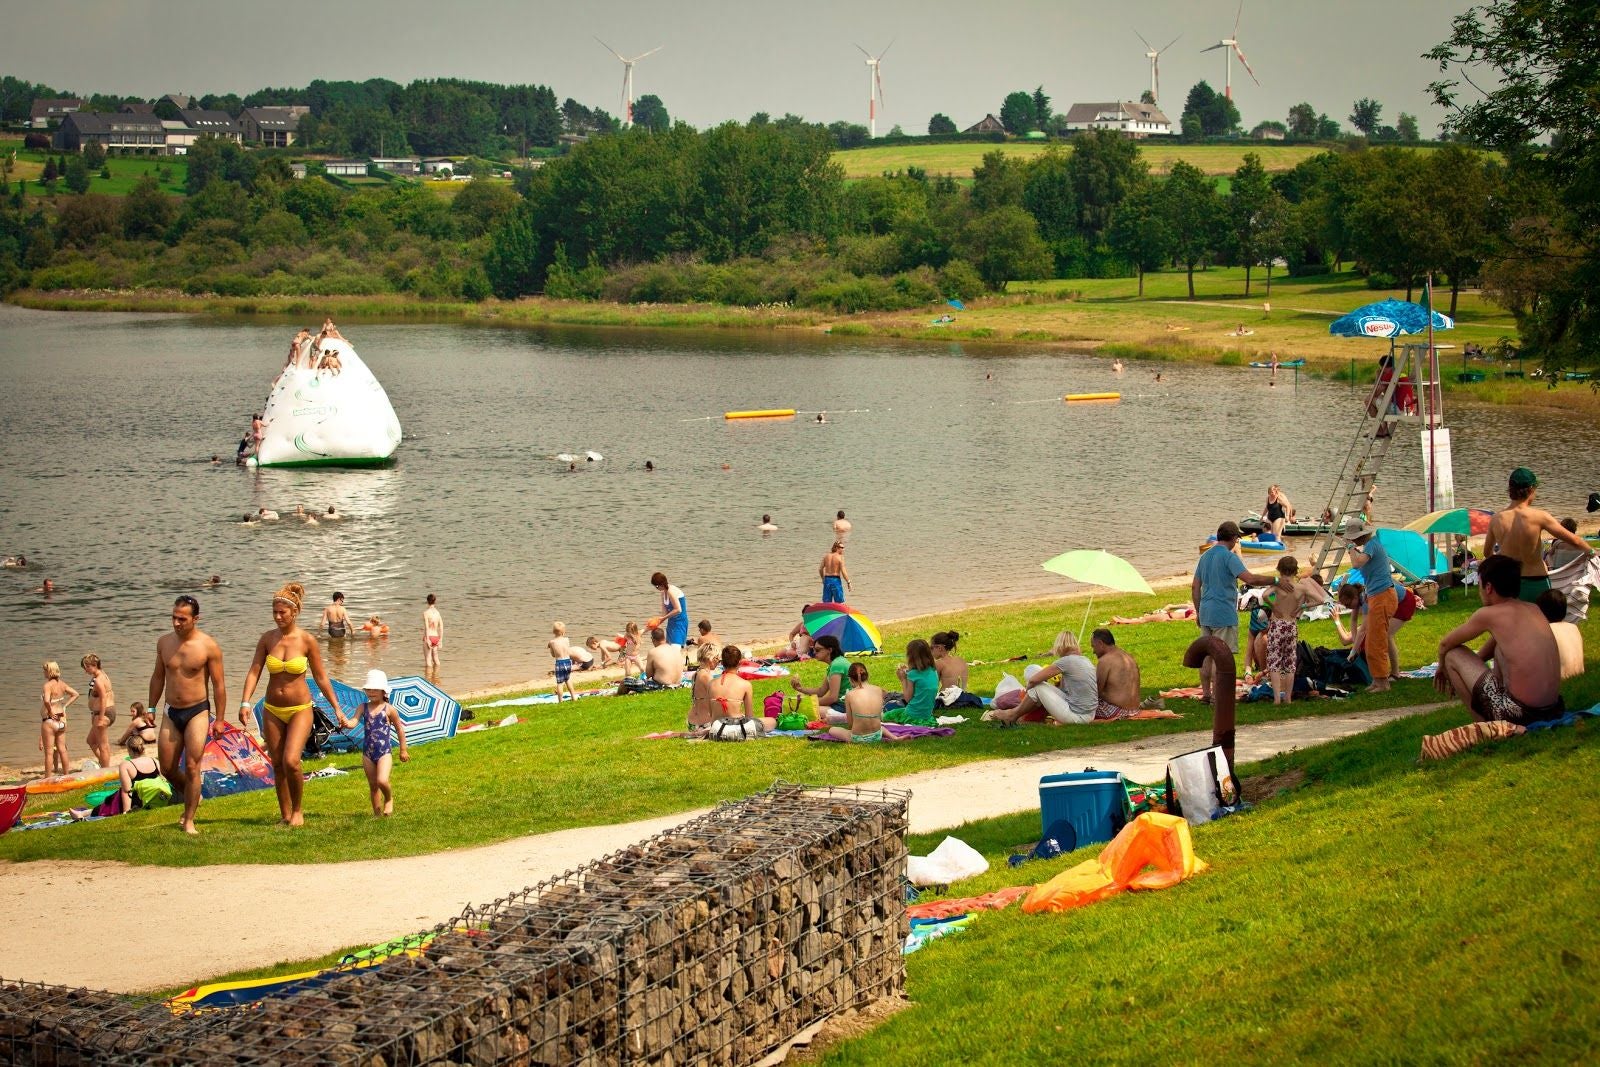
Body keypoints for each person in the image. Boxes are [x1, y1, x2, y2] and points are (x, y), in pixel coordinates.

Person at [238, 582, 339, 827]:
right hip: (272, 709)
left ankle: (298, 811)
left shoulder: (307, 641)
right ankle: (285, 815)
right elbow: (254, 671)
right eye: (274, 612)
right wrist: (245, 702)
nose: (278, 616)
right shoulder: (267, 639)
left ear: (294, 612)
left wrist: (336, 707)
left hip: (300, 709)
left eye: (282, 612)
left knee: (292, 760)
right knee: (277, 763)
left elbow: (321, 677)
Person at [1435, 554, 1565, 725]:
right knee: (1499, 649)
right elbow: (1491, 649)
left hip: (1520, 713)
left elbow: (1446, 643)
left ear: (1488, 587)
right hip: (1553, 709)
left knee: (1452, 654)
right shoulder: (1533, 608)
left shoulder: (1489, 614)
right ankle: (1496, 716)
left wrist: (1443, 667)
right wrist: (1472, 666)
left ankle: (1484, 727)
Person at [149, 594, 229, 835]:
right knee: (168, 768)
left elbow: (219, 685)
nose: (176, 623)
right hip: (170, 711)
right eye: (174, 617)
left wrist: (221, 720)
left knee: (193, 766)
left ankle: (189, 819)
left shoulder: (208, 646)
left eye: (182, 619)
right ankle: (196, 795)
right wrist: (151, 708)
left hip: (197, 710)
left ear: (195, 619)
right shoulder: (164, 643)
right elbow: (158, 677)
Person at [1193, 521, 1276, 705]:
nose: (1238, 541)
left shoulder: (1205, 557)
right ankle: (1217, 697)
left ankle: (1206, 694)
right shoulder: (1229, 557)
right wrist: (1275, 579)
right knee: (1220, 656)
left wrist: (1198, 612)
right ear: (1233, 538)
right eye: (1237, 537)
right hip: (1223, 612)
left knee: (1207, 655)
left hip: (1206, 611)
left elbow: (1195, 586)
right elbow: (1250, 578)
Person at [1488, 467, 1594, 602]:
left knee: (1515, 622)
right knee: (1543, 620)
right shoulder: (1539, 516)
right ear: (1531, 489)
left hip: (1510, 583)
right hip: (1536, 581)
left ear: (1511, 490)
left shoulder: (1496, 519)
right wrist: (1592, 552)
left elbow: (1487, 552)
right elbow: (1574, 540)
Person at [1338, 517, 1399, 692]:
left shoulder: (1372, 545)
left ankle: (1383, 682)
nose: (1353, 540)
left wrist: (1349, 547)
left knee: (1377, 640)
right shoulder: (1368, 547)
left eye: (1353, 537)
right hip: (1376, 597)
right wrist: (1352, 547)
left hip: (1383, 596)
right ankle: (1377, 679)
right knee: (1372, 640)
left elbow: (1356, 564)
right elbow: (1357, 562)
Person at [339, 669, 408, 817]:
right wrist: (346, 722)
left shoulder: (389, 709)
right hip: (367, 753)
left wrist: (403, 749)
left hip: (384, 753)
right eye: (368, 689)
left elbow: (400, 730)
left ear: (384, 691)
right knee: (373, 785)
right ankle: (377, 814)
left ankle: (389, 799)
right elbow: (353, 722)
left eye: (375, 689)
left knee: (382, 780)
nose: (371, 692)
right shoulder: (362, 707)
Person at [991, 631, 1097, 726]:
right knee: (1040, 686)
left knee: (1037, 686)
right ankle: (1015, 714)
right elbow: (1065, 691)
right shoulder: (1085, 660)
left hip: (1078, 716)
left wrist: (1028, 690)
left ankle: (1012, 715)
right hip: (1089, 714)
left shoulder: (1065, 662)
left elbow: (1034, 680)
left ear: (1060, 646)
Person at [1333, 581, 1420, 681]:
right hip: (1393, 601)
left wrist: (1353, 652)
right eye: (1346, 606)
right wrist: (1355, 648)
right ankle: (1384, 671)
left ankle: (1395, 673)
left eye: (1348, 604)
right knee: (1379, 633)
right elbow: (1353, 620)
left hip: (1404, 601)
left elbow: (1363, 629)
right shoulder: (1357, 598)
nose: (1348, 607)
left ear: (1355, 597)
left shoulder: (1365, 599)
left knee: (1386, 635)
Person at [1090, 630, 1176, 720]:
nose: (1093, 651)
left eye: (1093, 646)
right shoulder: (1127, 656)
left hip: (1116, 711)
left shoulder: (1105, 660)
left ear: (1100, 643)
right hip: (1134, 710)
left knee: (1078, 706)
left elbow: (1095, 691)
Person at [826, 662, 901, 743]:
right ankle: (894, 738)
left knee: (832, 730)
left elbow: (851, 724)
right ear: (867, 675)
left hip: (858, 738)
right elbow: (879, 716)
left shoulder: (849, 695)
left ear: (850, 679)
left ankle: (893, 738)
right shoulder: (878, 690)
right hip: (877, 735)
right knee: (881, 727)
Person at [1265, 557, 1304, 705]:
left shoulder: (1278, 586)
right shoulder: (1300, 587)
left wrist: (1273, 606)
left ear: (1279, 570)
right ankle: (1288, 697)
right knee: (1289, 662)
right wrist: (1301, 608)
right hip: (1291, 625)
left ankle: (1276, 698)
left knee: (1274, 662)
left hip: (1277, 624)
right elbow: (1320, 599)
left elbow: (1264, 595)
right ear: (1295, 571)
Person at [791, 634, 849, 720]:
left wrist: (809, 702)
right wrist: (801, 689)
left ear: (829, 650)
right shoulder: (834, 664)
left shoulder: (837, 665)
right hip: (840, 704)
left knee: (800, 709)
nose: (814, 653)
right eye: (813, 649)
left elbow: (833, 698)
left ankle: (843, 717)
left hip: (844, 707)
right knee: (799, 703)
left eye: (817, 650)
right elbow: (821, 691)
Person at [710, 645, 769, 729]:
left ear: (722, 663)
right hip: (736, 729)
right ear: (739, 663)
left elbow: (711, 713)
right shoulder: (745, 685)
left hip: (715, 729)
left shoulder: (711, 683)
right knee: (771, 721)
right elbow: (749, 717)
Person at [1535, 588, 1584, 680]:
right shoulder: (1573, 628)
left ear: (1541, 611)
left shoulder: (1543, 632)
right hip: (1577, 676)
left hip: (1557, 679)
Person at [39, 661, 78, 776]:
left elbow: (46, 700)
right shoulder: (62, 684)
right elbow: (75, 694)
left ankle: (47, 778)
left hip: (50, 721)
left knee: (49, 752)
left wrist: (50, 712)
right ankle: (66, 774)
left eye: (45, 670)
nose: (43, 673)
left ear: (49, 671)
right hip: (61, 719)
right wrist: (65, 706)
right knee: (62, 749)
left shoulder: (47, 685)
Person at [890, 639, 939, 724]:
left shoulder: (913, 674)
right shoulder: (933, 671)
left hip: (912, 715)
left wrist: (903, 679)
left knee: (887, 715)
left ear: (911, 657)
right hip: (927, 715)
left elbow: (908, 698)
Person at [81, 653, 115, 769]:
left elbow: (104, 697)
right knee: (91, 740)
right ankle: (104, 764)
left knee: (103, 746)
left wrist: (100, 718)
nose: (85, 670)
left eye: (87, 667)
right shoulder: (102, 674)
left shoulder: (99, 680)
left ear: (94, 665)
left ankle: (106, 770)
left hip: (103, 713)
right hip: (103, 712)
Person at [115, 734, 165, 813]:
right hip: (157, 798)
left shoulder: (126, 765)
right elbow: (163, 781)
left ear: (129, 750)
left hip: (138, 802)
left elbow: (127, 791)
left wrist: (126, 811)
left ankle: (90, 812)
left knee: (109, 804)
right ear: (143, 747)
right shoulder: (155, 761)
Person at [650, 572, 689, 647]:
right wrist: (658, 622)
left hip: (680, 622)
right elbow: (664, 612)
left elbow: (678, 609)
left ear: (662, 584)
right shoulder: (663, 593)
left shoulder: (671, 591)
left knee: (675, 647)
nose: (657, 588)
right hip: (671, 623)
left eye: (657, 586)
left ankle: (686, 645)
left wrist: (664, 618)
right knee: (669, 646)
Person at [688, 644, 719, 730]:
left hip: (692, 722)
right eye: (716, 658)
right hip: (704, 723)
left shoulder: (696, 674)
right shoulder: (706, 676)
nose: (718, 661)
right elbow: (717, 699)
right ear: (710, 659)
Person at [548, 621, 576, 702]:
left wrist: (550, 647)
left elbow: (553, 655)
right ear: (564, 631)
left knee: (560, 683)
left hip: (559, 663)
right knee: (568, 680)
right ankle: (573, 697)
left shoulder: (552, 642)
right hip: (568, 661)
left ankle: (560, 700)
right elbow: (567, 650)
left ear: (553, 631)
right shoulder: (567, 639)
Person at [422, 593, 444, 673]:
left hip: (429, 637)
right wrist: (440, 640)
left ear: (427, 601)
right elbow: (441, 626)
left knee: (428, 660)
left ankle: (429, 678)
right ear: (435, 601)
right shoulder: (438, 613)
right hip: (436, 637)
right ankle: (437, 676)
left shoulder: (426, 613)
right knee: (436, 659)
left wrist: (427, 639)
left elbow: (427, 627)